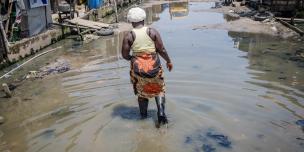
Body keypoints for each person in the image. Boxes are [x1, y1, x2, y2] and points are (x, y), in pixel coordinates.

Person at [121, 7, 173, 125]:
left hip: (138, 70)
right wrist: (168, 61)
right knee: (159, 89)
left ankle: (143, 117)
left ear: (131, 21)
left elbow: (124, 55)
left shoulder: (129, 36)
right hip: (154, 67)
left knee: (141, 92)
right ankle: (160, 113)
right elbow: (162, 50)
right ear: (143, 19)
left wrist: (133, 59)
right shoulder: (152, 32)